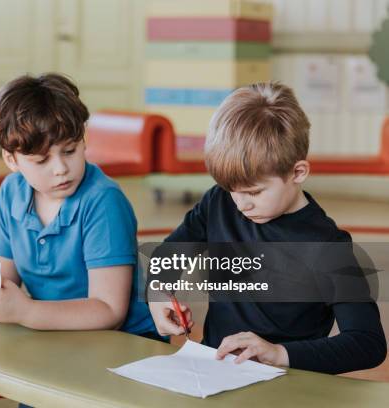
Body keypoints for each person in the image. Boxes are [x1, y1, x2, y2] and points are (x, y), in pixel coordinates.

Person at [149, 82, 386, 374]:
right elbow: (165, 259)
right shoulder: (218, 202)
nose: (240, 204)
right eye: (231, 189)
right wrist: (158, 296)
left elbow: (367, 343)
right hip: (212, 376)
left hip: (287, 387)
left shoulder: (327, 246)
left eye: (254, 192)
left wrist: (278, 353)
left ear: (297, 172)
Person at [0, 73, 158, 338]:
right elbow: (3, 280)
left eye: (70, 150)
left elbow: (109, 311)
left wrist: (26, 312)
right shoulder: (11, 192)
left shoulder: (103, 200)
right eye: (41, 161)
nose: (61, 169)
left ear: (83, 140)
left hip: (122, 341)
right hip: (55, 334)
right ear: (11, 159)